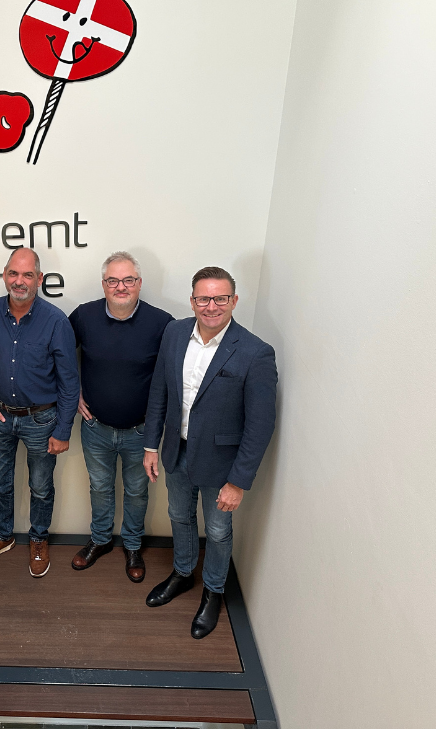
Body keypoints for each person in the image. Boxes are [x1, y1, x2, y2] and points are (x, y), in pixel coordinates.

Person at [143, 266, 277, 638]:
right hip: (177, 451)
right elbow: (159, 392)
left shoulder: (255, 352)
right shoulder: (174, 333)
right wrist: (151, 445)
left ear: (234, 301)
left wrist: (238, 482)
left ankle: (214, 590)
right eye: (204, 298)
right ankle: (183, 572)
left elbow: (260, 425)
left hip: (222, 464)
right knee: (179, 515)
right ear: (192, 301)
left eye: (220, 298)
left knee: (217, 531)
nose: (211, 306)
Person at [0, 248, 80, 577]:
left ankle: (38, 538)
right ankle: (3, 535)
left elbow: (69, 381)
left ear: (39, 279)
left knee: (41, 486)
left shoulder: (56, 321)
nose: (20, 281)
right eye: (14, 274)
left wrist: (63, 430)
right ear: (5, 276)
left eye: (27, 275)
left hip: (41, 420)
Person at [68, 251, 173, 582]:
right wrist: (74, 394)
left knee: (137, 492)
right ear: (103, 284)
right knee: (99, 487)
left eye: (128, 280)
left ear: (139, 283)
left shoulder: (162, 323)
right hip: (95, 427)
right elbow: (59, 355)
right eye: (113, 280)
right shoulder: (83, 316)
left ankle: (132, 545)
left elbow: (170, 379)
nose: (121, 287)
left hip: (141, 432)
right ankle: (100, 540)